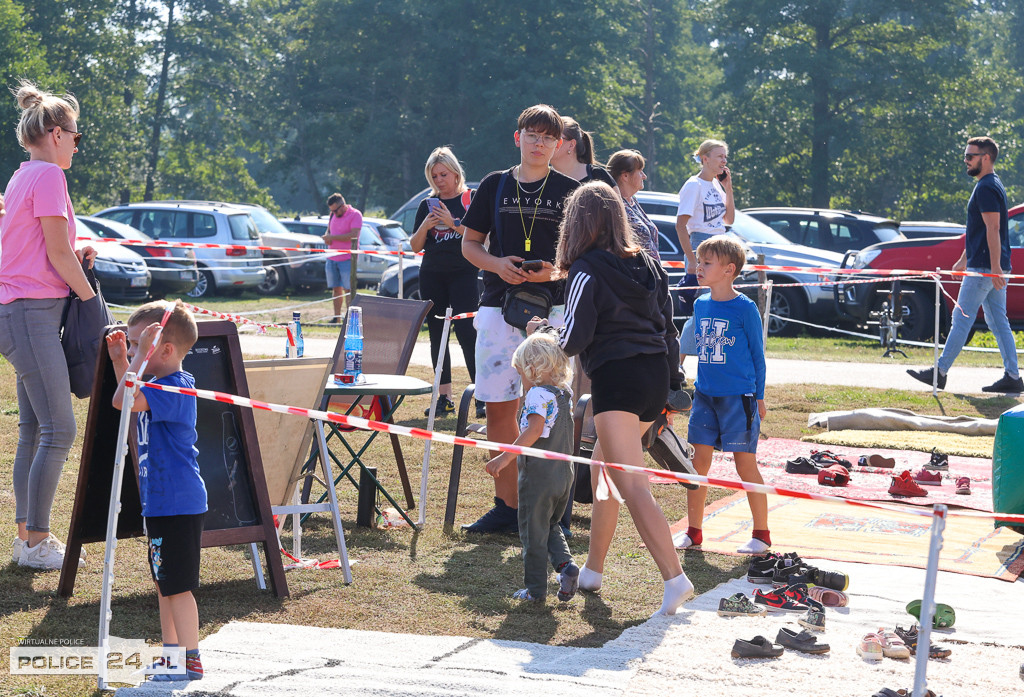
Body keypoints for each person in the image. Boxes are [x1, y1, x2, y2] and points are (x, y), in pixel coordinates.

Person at [538, 181, 693, 616]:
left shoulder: (586, 269)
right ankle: (593, 570)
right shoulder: (649, 262)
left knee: (632, 485)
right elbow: (669, 329)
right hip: (652, 379)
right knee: (605, 471)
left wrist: (542, 332)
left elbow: (573, 338)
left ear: (577, 222)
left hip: (617, 382)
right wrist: (672, 382)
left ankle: (675, 578)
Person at [460, 104, 580, 534]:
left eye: (549, 137)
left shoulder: (571, 189)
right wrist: (496, 264)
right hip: (496, 306)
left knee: (554, 412)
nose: (540, 143)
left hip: (552, 310)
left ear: (560, 144)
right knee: (499, 406)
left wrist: (556, 270)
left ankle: (552, 513)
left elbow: (582, 257)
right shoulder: (493, 185)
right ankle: (507, 507)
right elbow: (470, 246)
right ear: (518, 137)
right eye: (532, 134)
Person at [1, 80, 96, 570]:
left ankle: (26, 537)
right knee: (60, 428)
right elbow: (56, 253)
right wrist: (91, 298)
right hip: (32, 314)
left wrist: (76, 263)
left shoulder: (23, 176)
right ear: (57, 134)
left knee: (37, 429)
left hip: (22, 313)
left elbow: (48, 250)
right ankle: (36, 541)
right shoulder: (49, 179)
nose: (78, 146)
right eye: (77, 138)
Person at [107, 300, 206, 682]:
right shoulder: (155, 383)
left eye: (139, 346)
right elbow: (130, 400)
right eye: (132, 346)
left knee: (177, 587)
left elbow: (123, 399)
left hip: (178, 502)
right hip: (160, 501)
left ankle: (191, 657)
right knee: (164, 584)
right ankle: (171, 656)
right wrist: (122, 362)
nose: (133, 352)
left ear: (164, 350)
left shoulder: (176, 387)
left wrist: (131, 363)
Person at [677, 236, 770, 555]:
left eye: (707, 263)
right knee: (696, 464)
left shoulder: (746, 308)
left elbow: (759, 356)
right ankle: (694, 532)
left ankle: (761, 534)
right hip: (704, 396)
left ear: (729, 270)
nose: (699, 267)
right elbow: (688, 345)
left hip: (738, 399)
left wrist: (758, 397)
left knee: (745, 465)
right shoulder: (700, 304)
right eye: (699, 261)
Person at [908, 136, 1022, 393]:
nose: (966, 160)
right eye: (966, 156)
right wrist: (962, 260)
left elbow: (993, 229)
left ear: (986, 157)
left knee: (961, 318)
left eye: (970, 156)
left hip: (985, 268)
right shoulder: (990, 184)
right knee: (997, 322)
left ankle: (940, 372)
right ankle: (1013, 376)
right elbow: (979, 230)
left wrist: (993, 269)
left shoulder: (986, 187)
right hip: (986, 265)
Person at [485, 331, 579, 602]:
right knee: (549, 524)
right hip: (564, 475)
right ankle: (566, 566)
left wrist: (504, 457)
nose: (521, 381)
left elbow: (534, 430)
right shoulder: (564, 393)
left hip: (539, 476)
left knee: (531, 533)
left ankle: (536, 590)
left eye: (521, 374)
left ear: (533, 370)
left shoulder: (537, 395)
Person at [411, 147, 482, 418]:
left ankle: (480, 397)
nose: (439, 180)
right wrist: (426, 226)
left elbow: (481, 236)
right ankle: (444, 399)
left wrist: (451, 222)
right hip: (432, 274)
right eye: (434, 175)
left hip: (464, 273)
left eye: (444, 174)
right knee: (437, 337)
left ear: (455, 173)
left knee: (467, 334)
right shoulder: (426, 205)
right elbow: (416, 246)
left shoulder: (470, 199)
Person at [676, 139, 735, 383]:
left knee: (716, 307)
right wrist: (692, 259)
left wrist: (729, 188)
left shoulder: (717, 187)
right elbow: (681, 225)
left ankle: (712, 366)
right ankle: (675, 367)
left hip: (721, 245)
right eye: (719, 156)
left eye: (725, 157)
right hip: (702, 244)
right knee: (701, 309)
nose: (723, 161)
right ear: (704, 158)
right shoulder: (694, 185)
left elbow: (729, 220)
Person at [607, 149, 660, 261]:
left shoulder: (633, 201)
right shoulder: (615, 205)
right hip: (634, 273)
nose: (644, 176)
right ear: (625, 176)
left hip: (650, 273)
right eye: (640, 171)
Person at [322, 193, 362, 322]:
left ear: (343, 206)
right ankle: (337, 317)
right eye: (331, 210)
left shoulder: (355, 215)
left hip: (347, 258)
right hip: (332, 257)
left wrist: (332, 238)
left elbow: (354, 234)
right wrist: (327, 237)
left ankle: (350, 319)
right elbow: (329, 231)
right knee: (335, 289)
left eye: (335, 210)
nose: (333, 213)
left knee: (349, 289)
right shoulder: (332, 214)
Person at [549, 116, 617, 187]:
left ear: (571, 145)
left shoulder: (598, 175)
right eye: (546, 137)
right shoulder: (542, 179)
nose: (544, 143)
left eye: (554, 138)